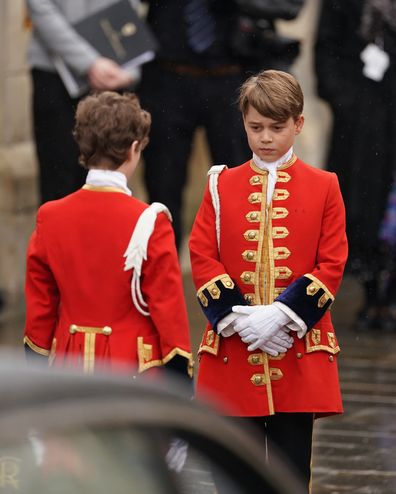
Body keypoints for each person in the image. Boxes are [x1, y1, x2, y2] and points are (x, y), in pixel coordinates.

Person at [189, 70, 348, 491]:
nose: (264, 138)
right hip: (233, 350)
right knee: (231, 475)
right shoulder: (220, 185)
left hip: (297, 350)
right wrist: (240, 320)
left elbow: (331, 262)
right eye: (255, 127)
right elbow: (202, 254)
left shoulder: (325, 186)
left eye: (277, 128)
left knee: (290, 474)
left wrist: (281, 315)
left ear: (298, 123)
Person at [24, 91, 193, 380]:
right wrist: (181, 381)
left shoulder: (49, 216)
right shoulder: (150, 221)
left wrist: (36, 371)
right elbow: (168, 310)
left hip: (67, 367)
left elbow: (41, 311)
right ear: (134, 149)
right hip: (132, 371)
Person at [138, 0, 305, 249]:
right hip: (167, 77)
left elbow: (290, 6)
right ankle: (163, 276)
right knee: (163, 189)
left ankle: (241, 277)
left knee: (242, 192)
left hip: (235, 78)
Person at [314, 0, 396, 330]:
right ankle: (371, 292)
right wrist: (346, 101)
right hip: (361, 121)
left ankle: (389, 298)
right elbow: (326, 49)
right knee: (362, 207)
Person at [26, 0, 140, 205]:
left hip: (113, 74)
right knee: (59, 186)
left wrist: (129, 68)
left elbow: (130, 9)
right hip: (54, 76)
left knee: (108, 184)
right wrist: (89, 63)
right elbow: (39, 7)